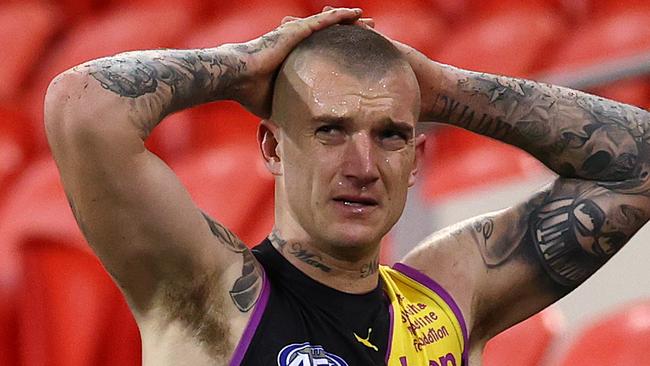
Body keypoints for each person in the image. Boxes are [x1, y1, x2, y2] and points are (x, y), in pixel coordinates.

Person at [44, 6, 650, 366]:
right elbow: (82, 106)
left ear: (415, 159)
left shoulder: (448, 295)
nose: (362, 165)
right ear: (273, 147)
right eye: (331, 130)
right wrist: (243, 64)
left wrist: (441, 88)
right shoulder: (210, 291)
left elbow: (639, 161)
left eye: (389, 135)